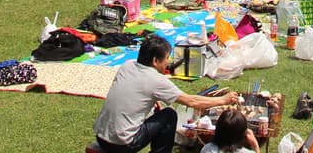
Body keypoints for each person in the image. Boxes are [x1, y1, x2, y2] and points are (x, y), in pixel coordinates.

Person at [94, 34, 243, 153]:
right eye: (166, 58)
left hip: (101, 136)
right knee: (169, 115)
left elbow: (132, 94)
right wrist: (223, 100)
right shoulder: (156, 80)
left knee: (159, 110)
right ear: (154, 60)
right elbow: (191, 101)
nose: (168, 62)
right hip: (122, 144)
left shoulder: (127, 66)